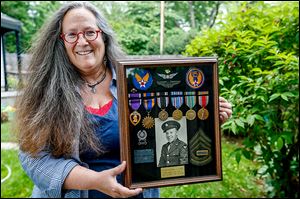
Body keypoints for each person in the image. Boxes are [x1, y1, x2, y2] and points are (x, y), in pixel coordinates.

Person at [14, 2, 232, 198]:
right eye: (72, 35)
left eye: (90, 32)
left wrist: (205, 120)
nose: (82, 41)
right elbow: (34, 158)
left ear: (103, 36)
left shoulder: (137, 81)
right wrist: (94, 181)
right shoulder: (45, 91)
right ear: (60, 42)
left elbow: (164, 127)